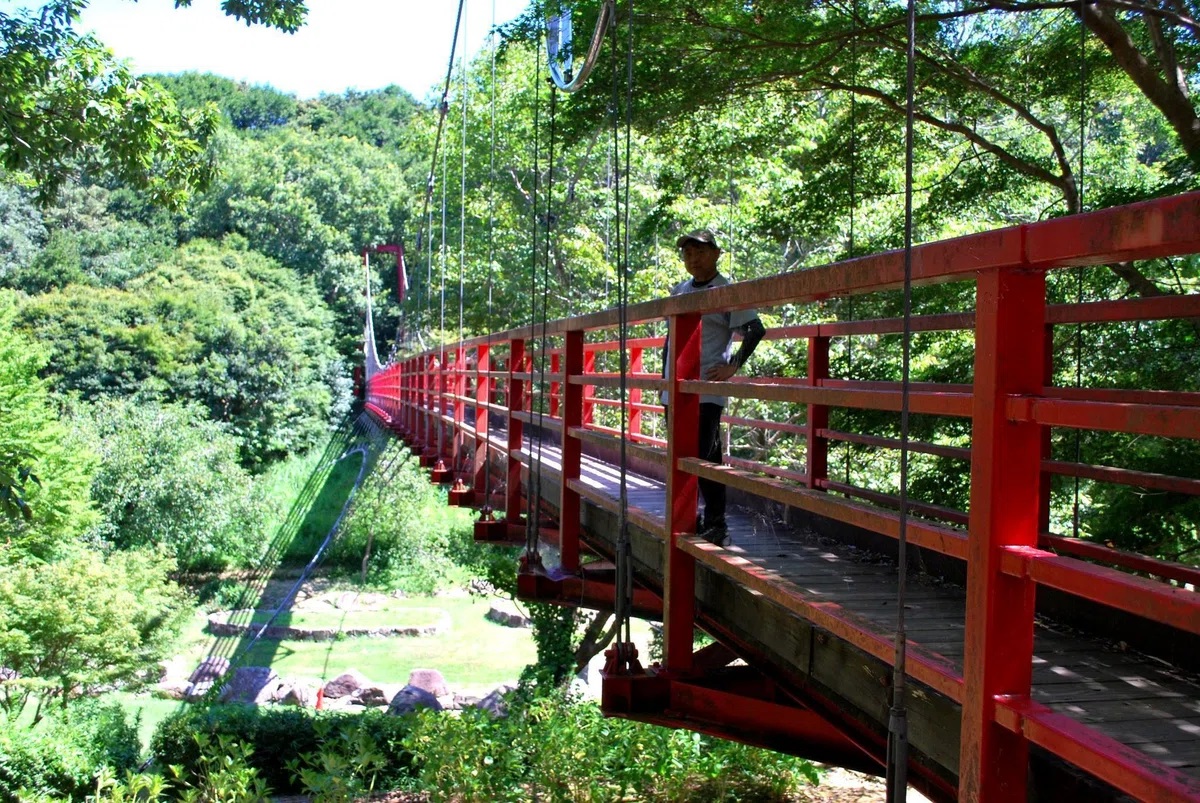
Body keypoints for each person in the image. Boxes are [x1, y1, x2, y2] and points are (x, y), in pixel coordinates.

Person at [662, 229, 766, 545]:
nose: (693, 259)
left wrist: (733, 364)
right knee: (678, 455)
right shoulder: (680, 290)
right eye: (688, 254)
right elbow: (670, 337)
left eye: (700, 252)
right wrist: (662, 378)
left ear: (716, 254)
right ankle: (686, 517)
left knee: (706, 456)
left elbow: (755, 329)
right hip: (675, 387)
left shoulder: (725, 291)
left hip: (706, 388)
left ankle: (716, 522)